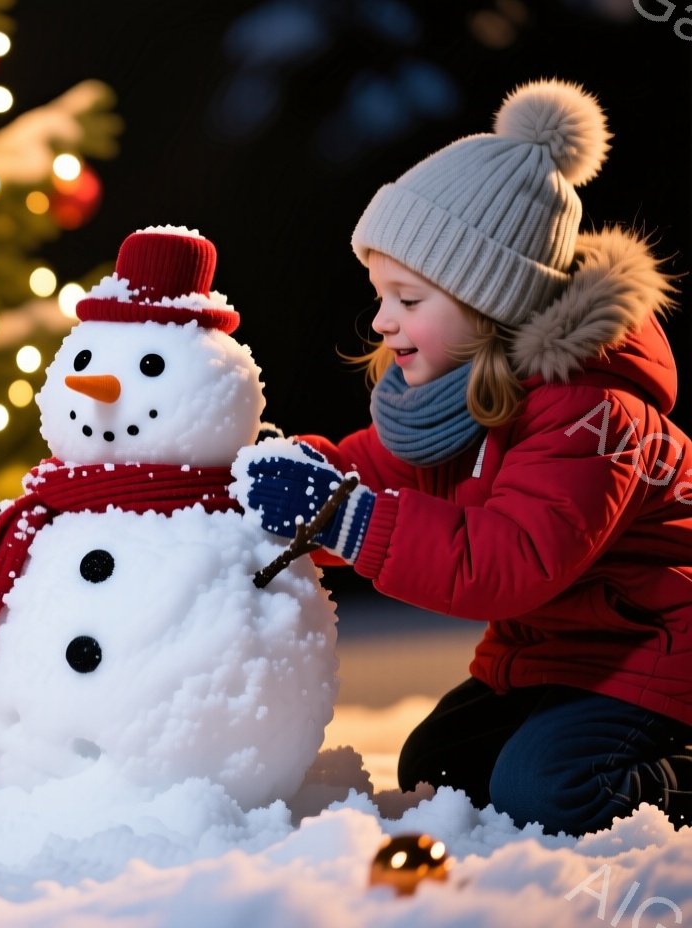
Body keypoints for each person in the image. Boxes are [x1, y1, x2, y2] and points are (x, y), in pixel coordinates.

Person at [232, 78, 692, 835]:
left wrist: (345, 520)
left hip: (654, 659)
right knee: (439, 772)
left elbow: (509, 562)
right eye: (380, 294)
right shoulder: (463, 395)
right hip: (554, 657)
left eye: (409, 300)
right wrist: (267, 477)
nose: (383, 321)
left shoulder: (592, 414)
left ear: (494, 304)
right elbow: (374, 469)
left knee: (550, 793)